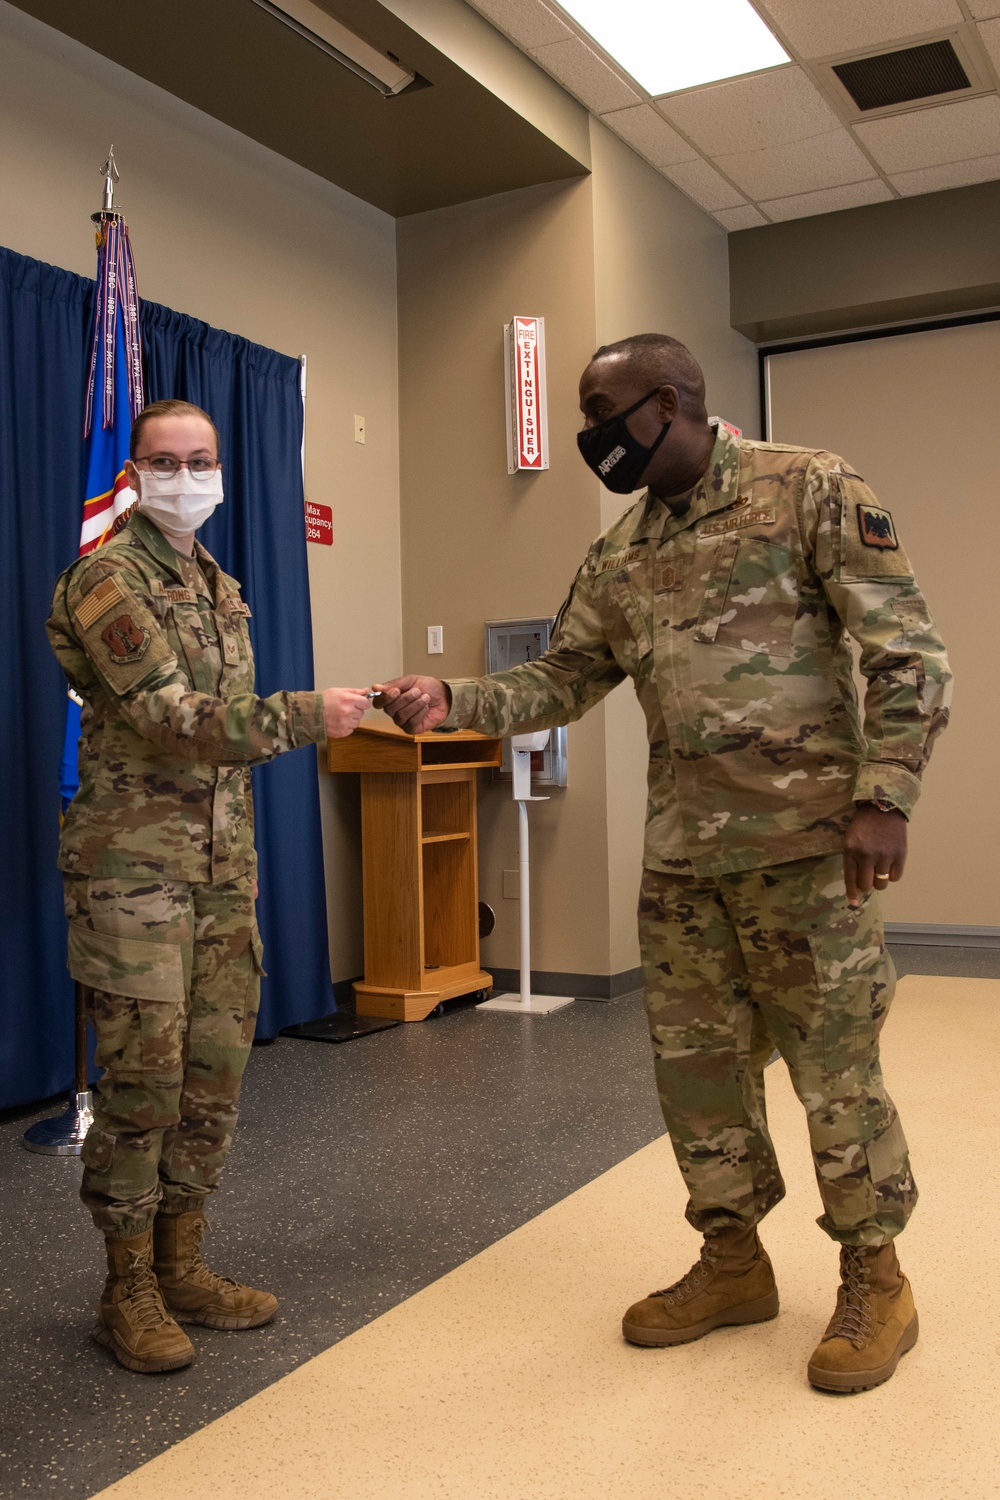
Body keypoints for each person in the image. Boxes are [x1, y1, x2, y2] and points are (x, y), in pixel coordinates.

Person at [374, 334, 952, 1393]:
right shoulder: (625, 547)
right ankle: (733, 1260)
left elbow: (905, 651)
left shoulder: (808, 487)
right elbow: (559, 677)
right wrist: (450, 700)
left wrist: (884, 796)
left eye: (603, 412)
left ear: (672, 399)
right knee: (696, 1078)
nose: (592, 434)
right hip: (683, 863)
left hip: (808, 852)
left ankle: (876, 1276)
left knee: (835, 1072)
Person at [47, 399, 370, 1375]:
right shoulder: (105, 580)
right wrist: (314, 713)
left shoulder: (217, 583)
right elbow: (173, 719)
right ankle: (127, 1289)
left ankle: (183, 1264)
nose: (187, 475)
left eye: (201, 460)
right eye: (166, 461)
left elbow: (223, 726)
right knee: (143, 1088)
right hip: (133, 878)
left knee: (211, 1084)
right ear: (135, 475)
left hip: (221, 873)